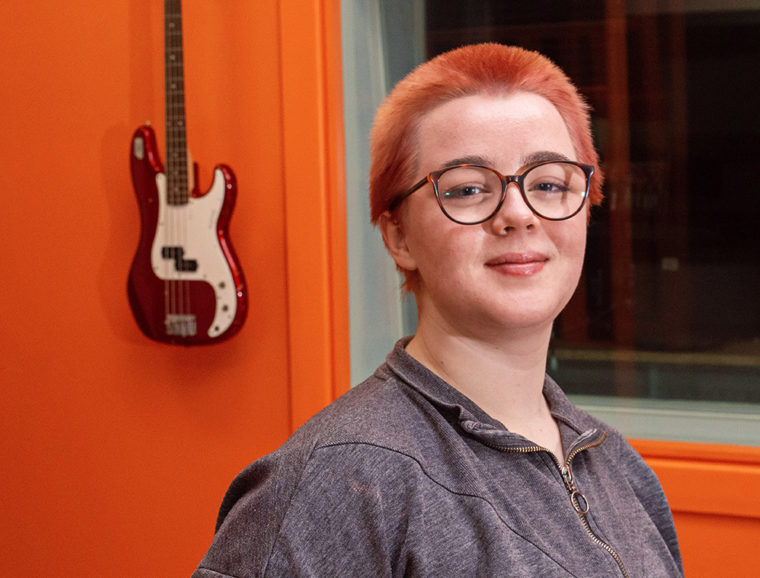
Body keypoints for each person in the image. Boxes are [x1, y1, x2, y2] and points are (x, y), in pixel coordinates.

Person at [192, 43, 684, 577]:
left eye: (548, 183)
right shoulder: (336, 480)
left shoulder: (619, 470)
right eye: (468, 189)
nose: (518, 214)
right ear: (399, 236)